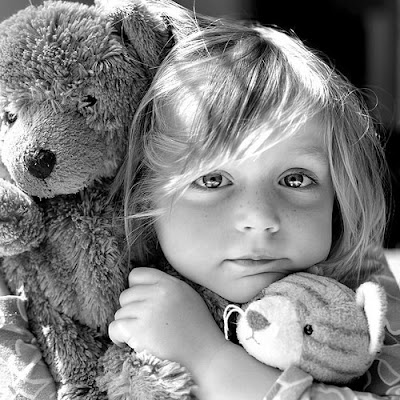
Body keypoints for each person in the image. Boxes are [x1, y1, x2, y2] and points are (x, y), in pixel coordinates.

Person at [108, 17, 400, 400]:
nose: (260, 218)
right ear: (147, 196)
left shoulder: (358, 290)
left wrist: (208, 358)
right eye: (212, 180)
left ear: (338, 199)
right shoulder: (99, 286)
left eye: (295, 179)